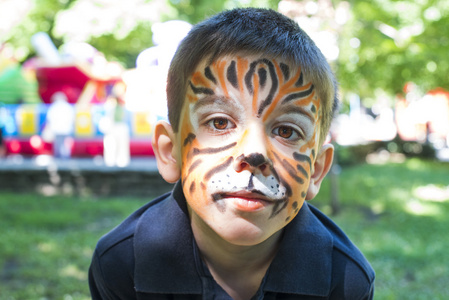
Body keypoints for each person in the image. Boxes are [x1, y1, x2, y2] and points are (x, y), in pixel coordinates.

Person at [89, 8, 375, 299]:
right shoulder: (121, 264)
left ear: (315, 171)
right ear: (170, 152)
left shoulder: (345, 280)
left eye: (286, 131)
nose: (253, 152)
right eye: (220, 122)